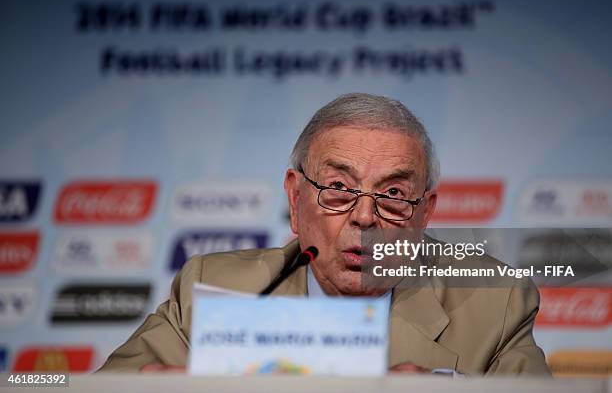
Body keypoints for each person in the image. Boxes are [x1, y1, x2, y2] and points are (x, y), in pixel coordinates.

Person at [97, 93, 550, 375]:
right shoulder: (214, 292)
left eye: (393, 193)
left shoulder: (495, 303)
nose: (365, 217)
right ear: (296, 199)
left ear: (424, 212)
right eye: (338, 189)